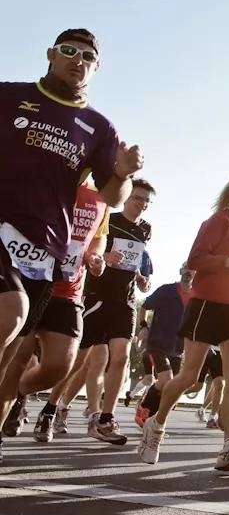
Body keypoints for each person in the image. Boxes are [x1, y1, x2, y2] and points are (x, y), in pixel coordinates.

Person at [0, 28, 142, 412]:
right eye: (68, 51)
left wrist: (124, 175)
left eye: (87, 57)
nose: (77, 61)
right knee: (9, 315)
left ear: (96, 69)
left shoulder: (99, 128)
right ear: (50, 54)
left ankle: (11, 413)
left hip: (43, 251)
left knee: (26, 363)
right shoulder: (10, 96)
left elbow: (112, 197)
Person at [136, 171, 229, 471]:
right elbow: (195, 259)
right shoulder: (218, 222)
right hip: (207, 305)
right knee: (189, 377)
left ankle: (228, 445)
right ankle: (156, 426)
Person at [1, 180, 110, 450]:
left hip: (69, 290)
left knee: (59, 366)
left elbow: (99, 236)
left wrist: (96, 256)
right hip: (32, 279)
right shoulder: (48, 176)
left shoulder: (102, 196)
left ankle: (19, 394)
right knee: (17, 358)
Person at [79, 179, 155, 445]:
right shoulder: (107, 219)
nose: (142, 204)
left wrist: (142, 278)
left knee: (121, 357)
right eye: (137, 198)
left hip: (124, 300)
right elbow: (91, 249)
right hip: (98, 296)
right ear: (126, 197)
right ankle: (56, 406)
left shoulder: (146, 229)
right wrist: (106, 256)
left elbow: (136, 260)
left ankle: (105, 419)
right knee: (80, 362)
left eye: (146, 200)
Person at [134, 267, 194, 427]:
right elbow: (144, 307)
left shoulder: (197, 298)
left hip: (178, 349)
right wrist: (144, 327)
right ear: (181, 271)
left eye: (193, 270)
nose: (189, 272)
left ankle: (153, 420)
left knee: (172, 388)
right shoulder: (166, 291)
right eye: (187, 268)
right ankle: (144, 408)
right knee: (166, 380)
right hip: (158, 344)